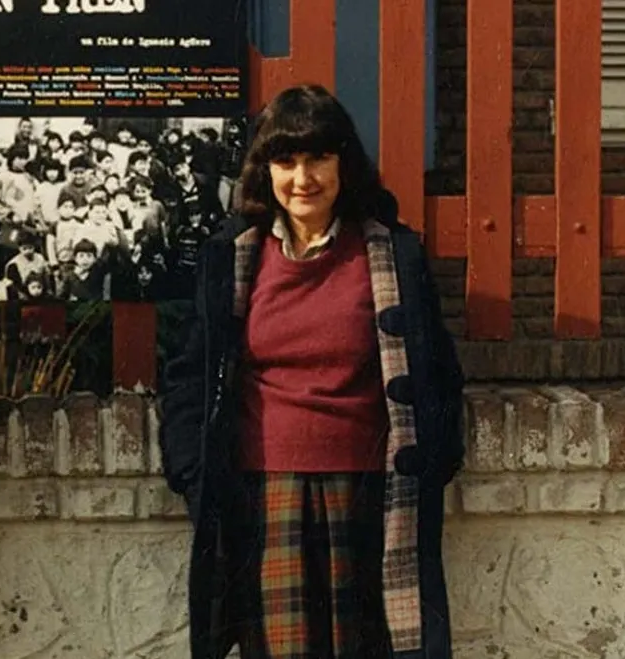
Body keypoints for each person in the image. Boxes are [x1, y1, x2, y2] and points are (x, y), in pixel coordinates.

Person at [159, 84, 464, 659]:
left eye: (319, 157)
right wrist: (193, 474)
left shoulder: (391, 254)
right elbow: (190, 373)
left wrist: (435, 459)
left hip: (371, 498)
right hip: (265, 496)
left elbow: (438, 371)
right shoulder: (234, 256)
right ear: (265, 170)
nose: (304, 178)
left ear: (344, 163)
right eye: (286, 160)